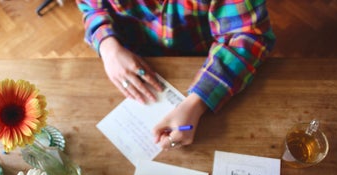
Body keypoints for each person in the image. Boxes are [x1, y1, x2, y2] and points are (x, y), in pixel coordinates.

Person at [76, 0, 275, 150]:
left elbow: (249, 35)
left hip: (206, 62)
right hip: (128, 58)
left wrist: (197, 104)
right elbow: (90, 6)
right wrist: (107, 45)